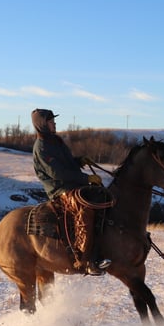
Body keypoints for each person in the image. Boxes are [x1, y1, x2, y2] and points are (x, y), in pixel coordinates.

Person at [31, 108, 110, 274]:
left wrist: (79, 161)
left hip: (73, 185)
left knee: (103, 197)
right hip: (60, 189)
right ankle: (85, 259)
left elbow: (66, 164)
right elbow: (57, 173)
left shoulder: (55, 142)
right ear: (42, 124)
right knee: (85, 209)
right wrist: (86, 179)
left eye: (53, 121)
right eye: (51, 121)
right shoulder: (41, 146)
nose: (54, 123)